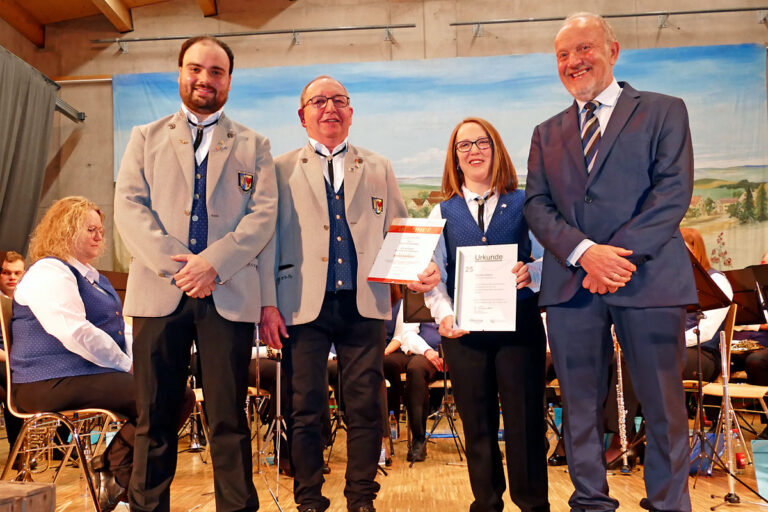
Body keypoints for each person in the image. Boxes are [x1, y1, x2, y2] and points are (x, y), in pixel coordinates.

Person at [524, 12, 697, 512]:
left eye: (584, 49)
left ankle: (668, 504)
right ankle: (590, 502)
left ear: (613, 51)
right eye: (563, 55)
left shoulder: (665, 111)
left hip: (648, 278)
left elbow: (672, 192)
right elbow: (537, 204)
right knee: (578, 405)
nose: (574, 62)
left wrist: (614, 259)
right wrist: (584, 254)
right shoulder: (545, 132)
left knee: (663, 406)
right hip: (572, 285)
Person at [259, 75, 438, 512]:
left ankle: (361, 499)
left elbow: (399, 231)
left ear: (351, 112)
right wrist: (267, 303)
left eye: (339, 100)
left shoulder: (378, 167)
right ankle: (308, 501)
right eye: (319, 101)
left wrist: (420, 268)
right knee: (305, 410)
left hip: (365, 306)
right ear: (302, 115)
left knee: (365, 408)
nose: (330, 108)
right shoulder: (279, 169)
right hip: (301, 306)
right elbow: (265, 243)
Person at [114, 36, 276, 512]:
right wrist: (182, 268)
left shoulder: (254, 144)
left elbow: (262, 217)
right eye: (195, 69)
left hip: (228, 293)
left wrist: (214, 264)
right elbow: (129, 208)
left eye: (217, 71)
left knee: (229, 418)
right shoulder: (144, 137)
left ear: (229, 79)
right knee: (153, 417)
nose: (205, 79)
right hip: (158, 293)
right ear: (180, 72)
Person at [423, 117, 549, 512]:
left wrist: (535, 272)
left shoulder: (528, 203)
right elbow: (434, 277)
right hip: (464, 337)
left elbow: (553, 256)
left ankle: (532, 505)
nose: (473, 150)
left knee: (525, 426)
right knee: (477, 428)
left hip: (520, 331)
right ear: (455, 158)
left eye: (482, 143)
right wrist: (443, 314)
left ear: (496, 150)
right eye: (464, 146)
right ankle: (487, 504)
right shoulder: (441, 212)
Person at [9, 197, 136, 511]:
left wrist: (141, 361)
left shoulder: (96, 277)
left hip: (81, 375)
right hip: (45, 382)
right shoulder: (49, 271)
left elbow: (120, 330)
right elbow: (74, 331)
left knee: (174, 393)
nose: (98, 236)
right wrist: (126, 365)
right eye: (90, 229)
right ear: (65, 230)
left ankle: (114, 469)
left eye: (100, 230)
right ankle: (117, 475)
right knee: (162, 395)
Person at [383, 293, 442, 463]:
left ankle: (482, 440)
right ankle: (418, 440)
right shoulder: (416, 298)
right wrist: (428, 352)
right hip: (428, 353)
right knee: (415, 368)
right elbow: (407, 334)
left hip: (460, 351)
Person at [0, 251, 25, 451]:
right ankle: (17, 449)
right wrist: (12, 358)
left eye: (17, 273)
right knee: (14, 379)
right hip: (3, 360)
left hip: (15, 359)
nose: (12, 278)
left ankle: (60, 447)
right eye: (7, 273)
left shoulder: (25, 303)